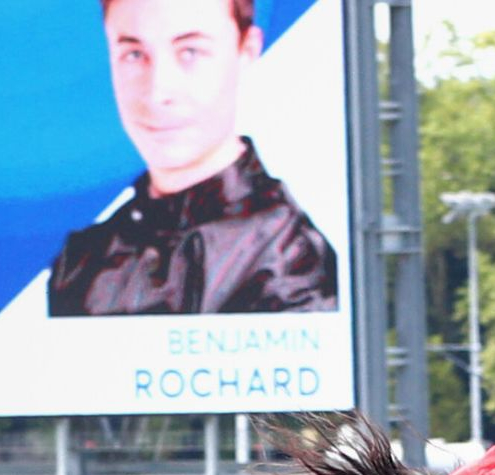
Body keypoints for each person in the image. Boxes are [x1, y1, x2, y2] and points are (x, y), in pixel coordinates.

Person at [49, 0, 340, 317]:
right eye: (134, 54)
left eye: (190, 52)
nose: (158, 92)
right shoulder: (80, 261)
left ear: (247, 50)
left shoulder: (289, 259)